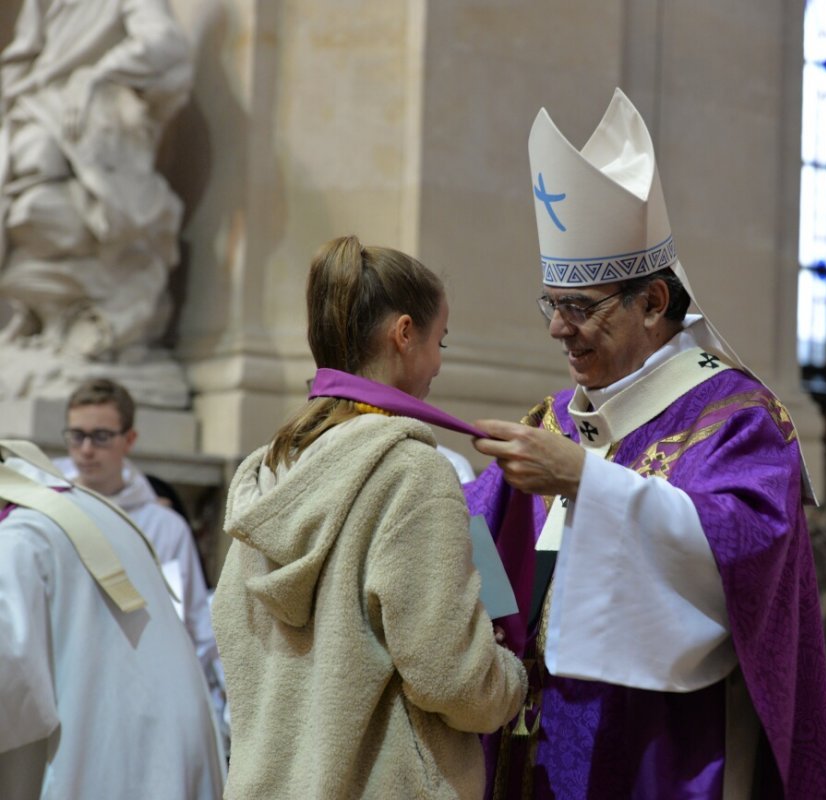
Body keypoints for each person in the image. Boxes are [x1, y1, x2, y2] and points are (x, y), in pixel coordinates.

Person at [467, 89, 826, 798]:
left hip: (657, 751)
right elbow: (480, 540)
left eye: (581, 307)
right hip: (531, 741)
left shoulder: (737, 418)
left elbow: (750, 556)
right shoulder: (553, 419)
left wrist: (586, 480)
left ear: (654, 303)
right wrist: (490, 633)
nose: (558, 329)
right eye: (553, 304)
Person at [212, 235, 527, 799]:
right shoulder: (411, 471)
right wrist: (509, 680)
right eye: (440, 342)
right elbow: (451, 677)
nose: (437, 364)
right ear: (404, 334)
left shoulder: (271, 469)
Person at [0, 438, 224, 799]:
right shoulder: (84, 509)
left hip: (104, 762)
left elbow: (9, 685)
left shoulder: (19, 541)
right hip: (159, 751)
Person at [0, 0, 192, 356]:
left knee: (37, 172)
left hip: (85, 109)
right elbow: (21, 56)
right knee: (22, 187)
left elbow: (165, 42)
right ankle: (46, 314)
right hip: (31, 103)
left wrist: (99, 72)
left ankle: (88, 306)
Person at [54, 378, 222, 706]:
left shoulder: (164, 527)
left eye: (101, 437)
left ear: (129, 439)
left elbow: (192, 624)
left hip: (138, 687)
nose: (86, 449)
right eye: (77, 436)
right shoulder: (47, 505)